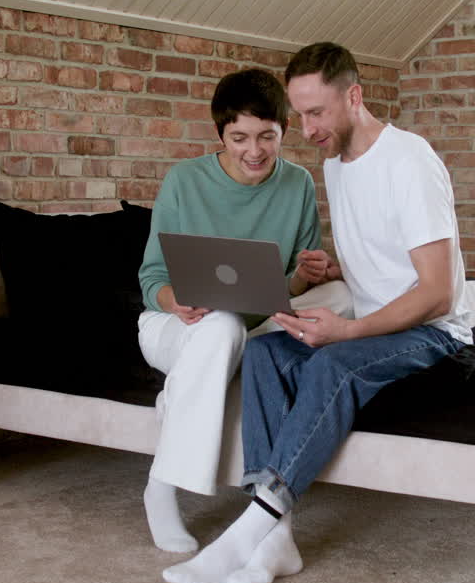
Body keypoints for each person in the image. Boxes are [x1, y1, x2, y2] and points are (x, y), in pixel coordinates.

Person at [162, 42, 473, 583]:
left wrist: (348, 330)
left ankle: (249, 529)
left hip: (432, 334)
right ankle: (278, 542)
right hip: (381, 322)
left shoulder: (410, 160)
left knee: (332, 366)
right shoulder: (335, 163)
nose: (305, 129)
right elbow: (377, 264)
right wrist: (332, 268)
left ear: (353, 97)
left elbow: (437, 293)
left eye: (316, 112)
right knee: (262, 352)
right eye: (300, 114)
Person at [136, 67, 351, 554]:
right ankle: (162, 488)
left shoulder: (296, 183)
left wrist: (310, 273)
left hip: (256, 322)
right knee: (220, 327)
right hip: (176, 325)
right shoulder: (184, 181)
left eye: (266, 137)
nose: (254, 151)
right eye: (239, 138)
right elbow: (152, 278)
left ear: (283, 132)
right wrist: (176, 299)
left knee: (342, 298)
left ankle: (186, 389)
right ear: (221, 134)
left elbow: (290, 287)